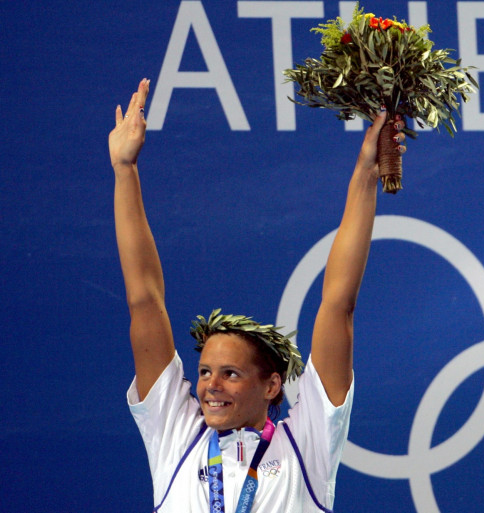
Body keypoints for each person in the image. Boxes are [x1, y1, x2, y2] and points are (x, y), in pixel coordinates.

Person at [109, 78, 405, 512]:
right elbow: (144, 301)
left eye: (230, 373)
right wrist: (124, 171)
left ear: (271, 386)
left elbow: (338, 304)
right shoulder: (175, 433)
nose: (210, 385)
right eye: (206, 371)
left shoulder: (307, 445)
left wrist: (364, 176)